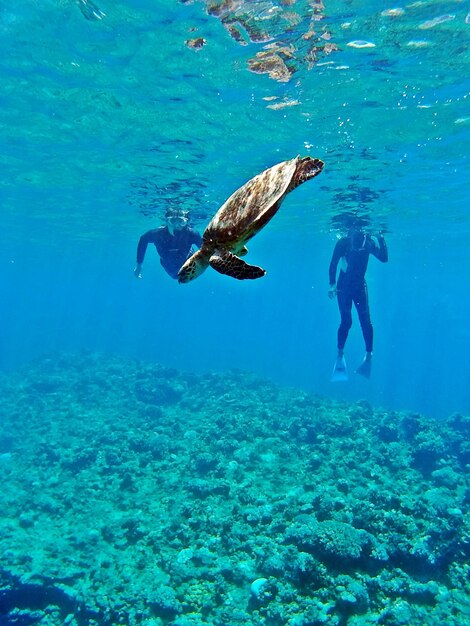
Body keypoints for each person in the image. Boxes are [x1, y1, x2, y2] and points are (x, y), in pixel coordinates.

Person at [328, 228, 388, 380]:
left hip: (360, 286)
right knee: (347, 322)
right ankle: (340, 355)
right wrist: (332, 284)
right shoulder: (343, 243)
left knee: (365, 321)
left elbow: (383, 258)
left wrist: (380, 237)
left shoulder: (368, 241)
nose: (359, 247)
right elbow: (333, 263)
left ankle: (368, 357)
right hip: (344, 286)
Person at [134, 211, 202, 280]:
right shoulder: (158, 234)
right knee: (176, 276)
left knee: (183, 277)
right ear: (167, 221)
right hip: (169, 267)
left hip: (187, 262)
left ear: (186, 222)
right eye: (173, 221)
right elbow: (143, 239)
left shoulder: (192, 234)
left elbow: (206, 250)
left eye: (181, 222)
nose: (177, 226)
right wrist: (139, 264)